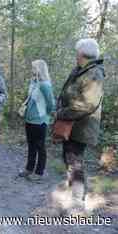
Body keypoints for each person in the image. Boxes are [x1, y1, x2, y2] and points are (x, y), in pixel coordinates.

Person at [56, 38, 104, 202]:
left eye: (77, 52)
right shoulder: (81, 70)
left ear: (83, 53)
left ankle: (77, 200)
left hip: (81, 126)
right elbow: (68, 92)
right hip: (71, 124)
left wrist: (62, 113)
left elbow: (88, 104)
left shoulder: (94, 73)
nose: (76, 55)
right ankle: (74, 193)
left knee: (74, 162)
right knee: (69, 159)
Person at [18, 60, 55, 181]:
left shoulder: (45, 84)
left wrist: (45, 116)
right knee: (31, 145)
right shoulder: (33, 82)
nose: (32, 69)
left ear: (39, 69)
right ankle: (29, 169)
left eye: (33, 67)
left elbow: (51, 104)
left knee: (40, 146)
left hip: (40, 121)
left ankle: (39, 172)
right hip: (29, 120)